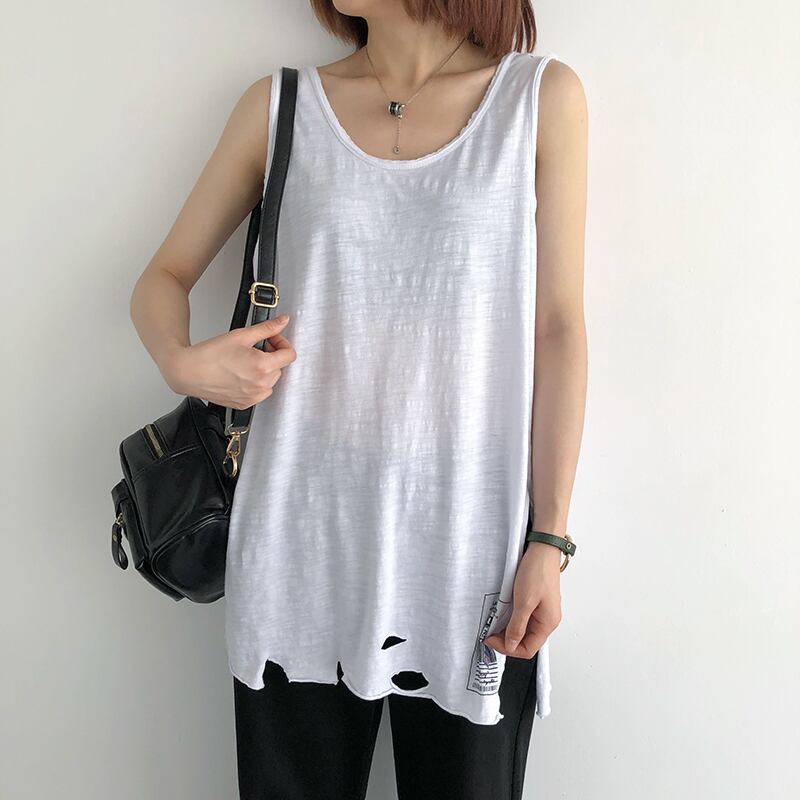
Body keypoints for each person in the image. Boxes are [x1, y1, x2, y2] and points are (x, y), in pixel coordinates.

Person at [129, 1, 587, 797]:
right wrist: (185, 364)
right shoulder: (280, 106)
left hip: (472, 553)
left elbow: (559, 330)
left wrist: (549, 537)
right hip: (298, 539)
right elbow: (161, 279)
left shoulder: (539, 99)